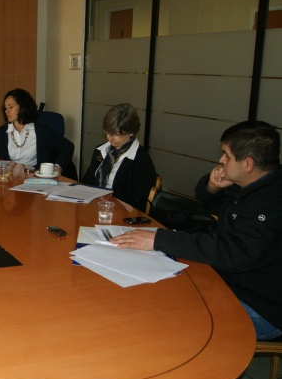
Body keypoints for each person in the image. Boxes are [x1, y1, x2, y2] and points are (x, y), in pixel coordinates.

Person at [111, 120, 282, 341]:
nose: (221, 160)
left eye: (226, 155)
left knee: (173, 318)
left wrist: (160, 240)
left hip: (261, 306)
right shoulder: (252, 184)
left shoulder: (271, 204)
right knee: (156, 292)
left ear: (248, 164)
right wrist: (212, 187)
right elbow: (212, 208)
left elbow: (232, 253)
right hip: (229, 282)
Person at [81, 103, 156, 211]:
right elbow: (86, 183)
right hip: (93, 209)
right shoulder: (101, 151)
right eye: (107, 132)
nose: (109, 138)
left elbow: (139, 204)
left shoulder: (141, 160)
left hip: (120, 215)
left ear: (131, 132)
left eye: (116, 134)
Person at [0, 88, 74, 177]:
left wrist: (58, 167)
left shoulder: (41, 131)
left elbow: (68, 146)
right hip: (10, 178)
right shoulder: (1, 132)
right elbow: (2, 161)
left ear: (23, 108)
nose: (6, 111)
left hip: (35, 179)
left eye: (11, 107)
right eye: (5, 108)